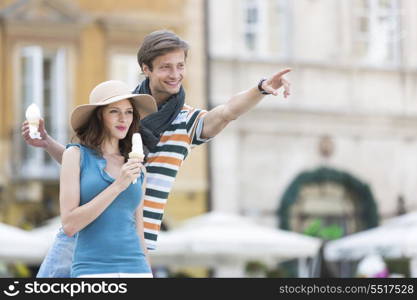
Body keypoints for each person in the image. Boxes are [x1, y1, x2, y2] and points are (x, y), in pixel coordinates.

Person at [22, 30, 291, 277]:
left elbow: (227, 112)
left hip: (136, 242)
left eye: (180, 66)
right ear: (145, 69)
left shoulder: (186, 121)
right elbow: (87, 165)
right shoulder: (122, 111)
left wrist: (259, 89)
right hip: (85, 238)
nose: (175, 74)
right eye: (165, 67)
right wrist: (48, 143)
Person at [62, 80, 157, 277]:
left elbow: (139, 227)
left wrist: (148, 271)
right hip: (92, 271)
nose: (123, 119)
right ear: (99, 116)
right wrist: (118, 185)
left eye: (129, 112)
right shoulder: (75, 155)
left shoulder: (138, 167)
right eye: (114, 111)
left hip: (137, 270)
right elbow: (70, 225)